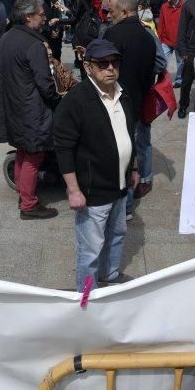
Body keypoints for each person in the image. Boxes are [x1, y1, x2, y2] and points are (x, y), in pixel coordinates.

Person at [54, 39, 138, 290]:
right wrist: (73, 190)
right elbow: (63, 147)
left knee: (117, 236)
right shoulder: (76, 101)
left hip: (120, 186)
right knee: (90, 250)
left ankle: (110, 275)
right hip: (92, 192)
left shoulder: (124, 95)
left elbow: (128, 134)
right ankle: (87, 295)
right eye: (102, 63)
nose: (110, 68)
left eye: (115, 62)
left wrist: (132, 167)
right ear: (88, 67)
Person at [0, 0, 60, 218]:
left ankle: (25, 194)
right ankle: (29, 205)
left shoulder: (8, 36)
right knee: (33, 156)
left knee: (24, 151)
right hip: (31, 109)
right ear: (29, 16)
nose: (44, 18)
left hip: (14, 105)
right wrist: (60, 100)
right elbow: (46, 85)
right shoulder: (34, 44)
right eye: (41, 14)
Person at [103, 0, 157, 202]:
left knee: (121, 151)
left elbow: (105, 71)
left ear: (125, 11)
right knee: (133, 146)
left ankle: (123, 198)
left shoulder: (113, 34)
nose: (110, 15)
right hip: (139, 99)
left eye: (113, 11)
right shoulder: (148, 36)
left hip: (116, 100)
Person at [157, 0, 185, 88]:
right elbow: (161, 24)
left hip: (179, 41)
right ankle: (162, 80)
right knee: (162, 61)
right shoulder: (164, 6)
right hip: (166, 40)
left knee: (180, 62)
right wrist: (159, 39)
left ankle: (179, 80)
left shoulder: (184, 6)